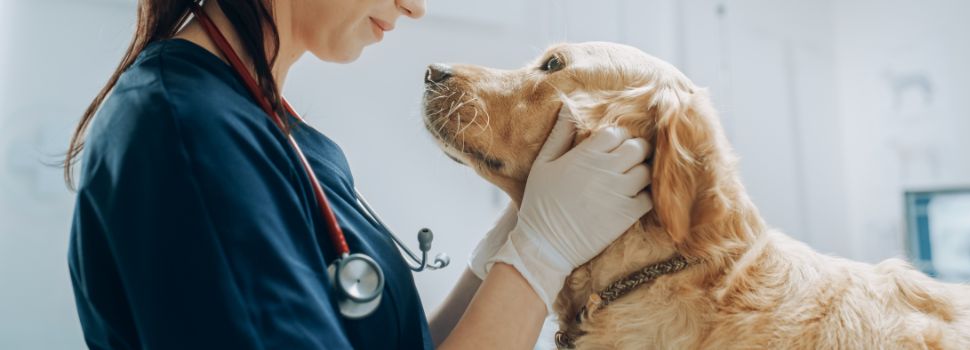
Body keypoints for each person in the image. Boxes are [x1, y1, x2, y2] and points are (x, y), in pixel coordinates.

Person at [63, 0, 652, 349]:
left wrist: (510, 246)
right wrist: (541, 254)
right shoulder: (187, 133)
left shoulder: (273, 127)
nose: (416, 5)